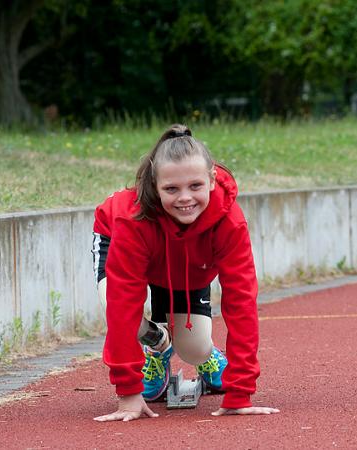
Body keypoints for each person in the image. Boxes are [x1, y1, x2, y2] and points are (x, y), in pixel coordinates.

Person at [91, 124, 279, 421]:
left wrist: (239, 392)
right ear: (154, 187)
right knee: (111, 304)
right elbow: (123, 305)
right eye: (171, 189)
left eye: (195, 186)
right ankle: (158, 344)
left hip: (190, 267)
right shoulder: (132, 219)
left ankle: (205, 357)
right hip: (127, 244)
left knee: (193, 349)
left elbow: (241, 301)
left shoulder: (229, 222)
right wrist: (128, 393)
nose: (184, 198)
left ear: (212, 180)